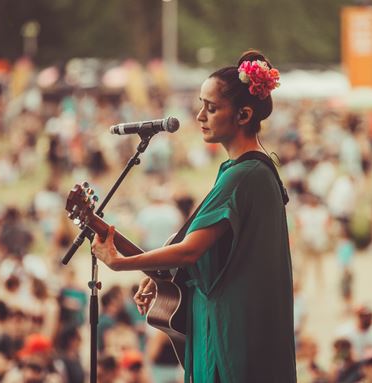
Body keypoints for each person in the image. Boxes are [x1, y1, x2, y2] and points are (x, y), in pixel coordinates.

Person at [92, 50, 296, 382]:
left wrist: (117, 263)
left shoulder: (242, 176)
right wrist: (160, 277)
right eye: (201, 105)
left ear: (243, 114)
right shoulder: (250, 170)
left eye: (211, 108)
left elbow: (190, 250)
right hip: (245, 326)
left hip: (232, 333)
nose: (200, 116)